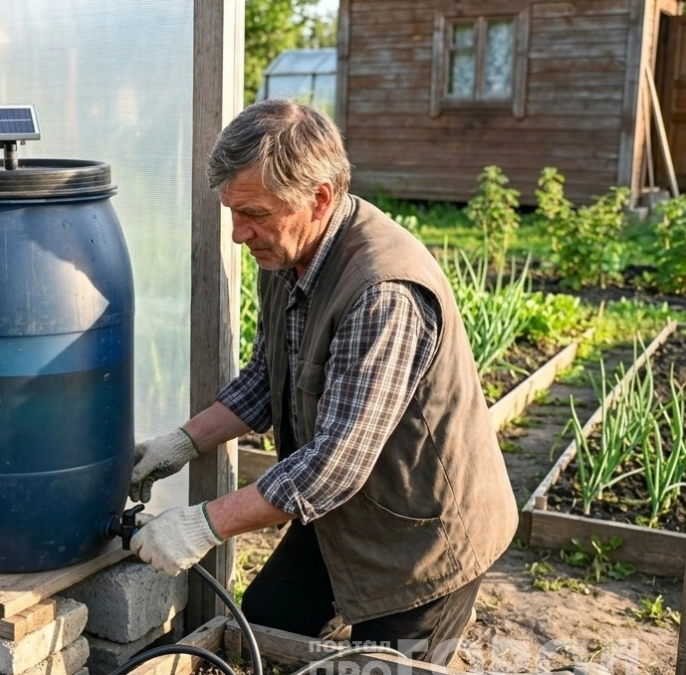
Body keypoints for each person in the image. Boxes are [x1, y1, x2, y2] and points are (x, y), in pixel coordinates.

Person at [127, 99, 518, 663]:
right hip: (343, 517)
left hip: (421, 540)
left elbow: (335, 464)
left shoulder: (381, 291)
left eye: (254, 213)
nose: (239, 234)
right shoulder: (289, 258)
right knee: (260, 630)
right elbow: (266, 380)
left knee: (384, 665)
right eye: (232, 212)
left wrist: (202, 526)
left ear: (320, 198)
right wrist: (179, 444)